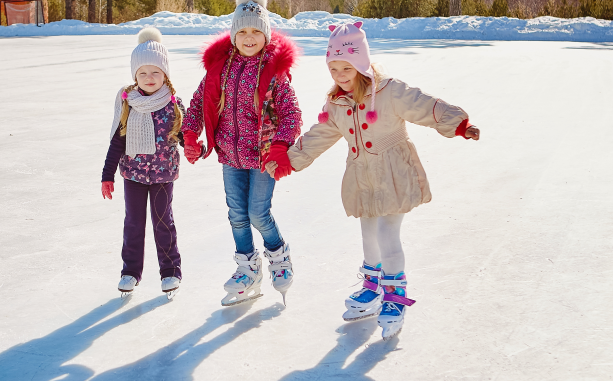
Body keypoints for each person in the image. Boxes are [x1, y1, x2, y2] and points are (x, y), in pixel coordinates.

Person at [265, 21, 480, 339]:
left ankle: (395, 296)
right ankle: (373, 286)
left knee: (386, 233)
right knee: (368, 232)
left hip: (394, 173)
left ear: (361, 62)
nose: (339, 74)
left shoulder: (389, 91)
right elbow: (319, 136)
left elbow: (424, 105)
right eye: (333, 67)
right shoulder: (337, 103)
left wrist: (459, 124)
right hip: (363, 177)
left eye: (346, 66)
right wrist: (290, 160)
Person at [181, 0, 303, 306]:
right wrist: (190, 133)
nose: (249, 37)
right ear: (234, 34)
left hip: (262, 158)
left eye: (256, 31)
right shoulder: (219, 68)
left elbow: (292, 114)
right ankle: (247, 269)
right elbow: (199, 102)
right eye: (243, 31)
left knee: (257, 213)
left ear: (266, 34)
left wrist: (280, 145)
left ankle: (278, 254)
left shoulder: (274, 71)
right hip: (230, 156)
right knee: (237, 215)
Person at [101, 27, 186, 300]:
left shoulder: (173, 104)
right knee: (134, 224)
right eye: (143, 73)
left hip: (163, 176)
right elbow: (117, 142)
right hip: (134, 176)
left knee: (163, 223)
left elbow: (185, 134)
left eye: (156, 72)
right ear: (135, 76)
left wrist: (196, 148)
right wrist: (107, 175)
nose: (149, 78)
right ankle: (130, 272)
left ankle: (170, 271)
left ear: (165, 74)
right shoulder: (129, 104)